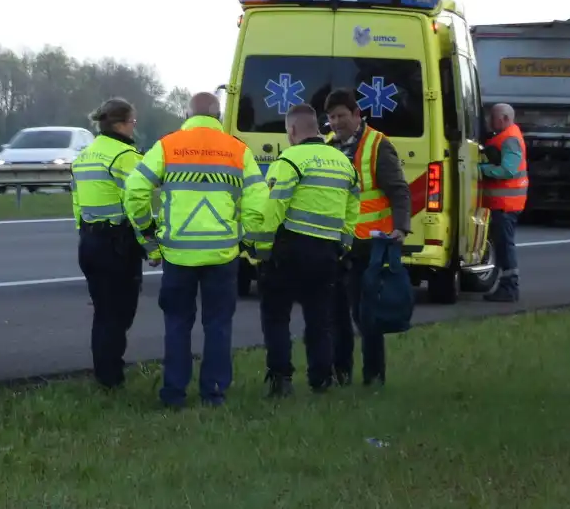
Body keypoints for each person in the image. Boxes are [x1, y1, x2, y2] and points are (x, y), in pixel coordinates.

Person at [124, 91, 268, 407]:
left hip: (177, 254)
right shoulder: (238, 150)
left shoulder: (167, 146)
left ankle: (174, 394)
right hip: (223, 254)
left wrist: (148, 233)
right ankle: (214, 392)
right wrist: (245, 237)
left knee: (176, 323)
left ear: (187, 116)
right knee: (218, 325)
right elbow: (259, 200)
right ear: (218, 117)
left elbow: (134, 191)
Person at [254, 103, 359, 397]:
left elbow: (275, 206)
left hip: (289, 248)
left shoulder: (289, 161)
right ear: (318, 128)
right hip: (327, 251)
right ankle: (321, 379)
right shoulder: (342, 161)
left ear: (291, 130)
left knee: (276, 316)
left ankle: (281, 379)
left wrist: (261, 250)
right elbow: (353, 207)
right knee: (320, 318)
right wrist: (344, 243)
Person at [324, 90, 412, 387]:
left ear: (356, 114)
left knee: (367, 316)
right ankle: (341, 373)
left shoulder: (377, 145)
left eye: (341, 116)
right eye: (331, 117)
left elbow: (398, 190)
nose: (336, 123)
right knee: (336, 316)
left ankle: (374, 377)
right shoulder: (326, 147)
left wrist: (401, 227)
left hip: (368, 245)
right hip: (337, 244)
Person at [71, 97, 154, 389]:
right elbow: (135, 203)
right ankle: (111, 378)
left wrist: (84, 232)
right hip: (116, 244)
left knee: (104, 311)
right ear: (120, 124)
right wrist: (150, 244)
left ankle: (105, 373)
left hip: (90, 242)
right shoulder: (125, 157)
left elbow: (77, 203)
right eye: (133, 122)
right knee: (119, 313)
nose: (134, 128)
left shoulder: (85, 155)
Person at [480, 103, 528, 303]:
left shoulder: (510, 139)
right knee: (501, 246)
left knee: (505, 247)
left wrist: (481, 169)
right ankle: (506, 286)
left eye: (493, 117)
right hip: (502, 203)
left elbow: (508, 170)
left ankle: (510, 287)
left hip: (506, 204)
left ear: (505, 119)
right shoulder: (505, 136)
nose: (490, 121)